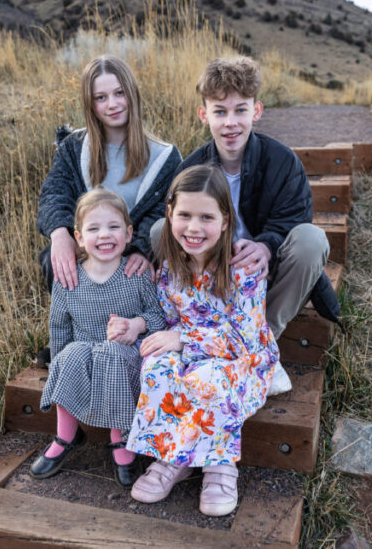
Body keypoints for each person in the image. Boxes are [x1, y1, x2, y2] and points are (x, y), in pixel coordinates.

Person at [162, 56, 340, 396]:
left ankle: (260, 343)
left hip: (265, 271)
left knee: (311, 241)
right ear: (204, 115)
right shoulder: (192, 169)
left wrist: (266, 245)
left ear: (256, 111)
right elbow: (176, 223)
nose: (231, 123)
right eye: (220, 112)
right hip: (213, 279)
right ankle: (206, 335)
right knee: (160, 232)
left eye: (240, 110)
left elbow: (295, 217)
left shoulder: (282, 161)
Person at [127, 165, 277, 516]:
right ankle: (172, 456)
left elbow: (243, 338)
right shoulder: (170, 266)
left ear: (226, 220)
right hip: (189, 349)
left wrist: (182, 338)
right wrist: (138, 327)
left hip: (240, 358)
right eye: (185, 215)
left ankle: (220, 464)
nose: (193, 228)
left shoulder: (243, 268)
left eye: (206, 217)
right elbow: (166, 319)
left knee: (209, 379)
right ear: (169, 215)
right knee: (157, 365)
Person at [31, 189, 166, 488]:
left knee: (114, 353)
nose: (104, 235)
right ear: (79, 238)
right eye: (94, 229)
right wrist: (59, 366)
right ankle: (66, 435)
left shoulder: (137, 275)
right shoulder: (69, 279)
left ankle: (121, 440)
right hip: (85, 358)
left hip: (128, 357)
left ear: (129, 233)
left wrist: (136, 324)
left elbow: (159, 319)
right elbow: (59, 327)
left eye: (114, 227)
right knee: (68, 353)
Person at [36, 55, 181, 292]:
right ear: (90, 104)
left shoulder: (165, 157)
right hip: (90, 249)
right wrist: (60, 233)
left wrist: (142, 249)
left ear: (132, 94)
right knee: (52, 261)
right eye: (101, 98)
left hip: (136, 253)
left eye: (119, 93)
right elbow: (54, 195)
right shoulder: (74, 148)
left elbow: (164, 212)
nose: (112, 104)